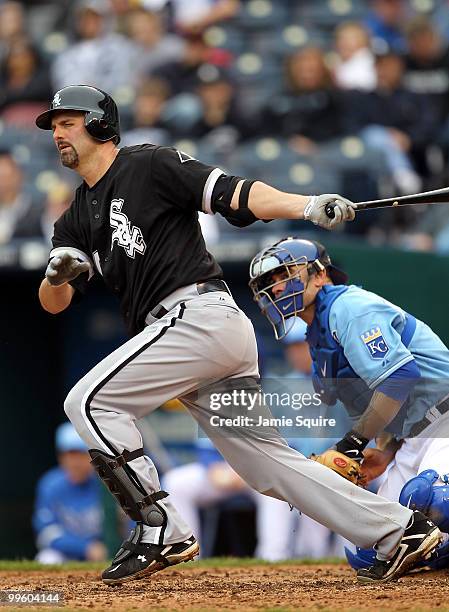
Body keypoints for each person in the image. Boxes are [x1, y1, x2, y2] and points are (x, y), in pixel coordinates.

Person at [35, 84, 433, 587]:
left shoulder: (148, 165)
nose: (57, 134)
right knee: (269, 466)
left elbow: (237, 194)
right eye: (53, 126)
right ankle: (398, 529)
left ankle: (161, 527)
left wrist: (307, 205)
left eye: (67, 122)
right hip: (190, 339)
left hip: (199, 317)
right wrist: (56, 277)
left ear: (99, 125)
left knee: (88, 403)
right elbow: (55, 305)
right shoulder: (75, 215)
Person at [248, 236, 449, 581]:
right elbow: (390, 404)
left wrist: (353, 443)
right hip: (413, 436)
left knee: (430, 498)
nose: (276, 287)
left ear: (320, 275)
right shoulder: (318, 336)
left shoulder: (349, 307)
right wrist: (383, 451)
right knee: (369, 544)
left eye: (284, 275)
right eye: (269, 283)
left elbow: (400, 377)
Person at [33, 422, 106, 564]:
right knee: (47, 559)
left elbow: (130, 526)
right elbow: (46, 534)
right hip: (68, 553)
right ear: (61, 457)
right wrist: (86, 548)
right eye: (70, 455)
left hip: (105, 553)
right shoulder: (50, 484)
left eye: (82, 455)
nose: (75, 462)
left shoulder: (108, 484)